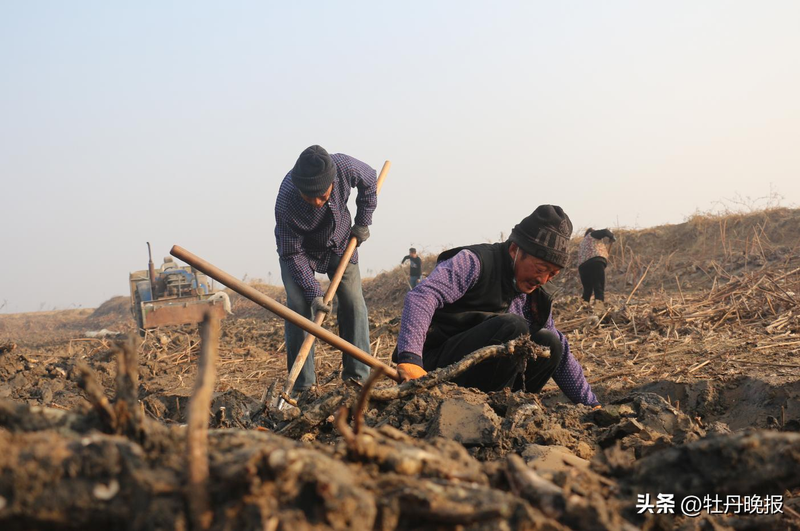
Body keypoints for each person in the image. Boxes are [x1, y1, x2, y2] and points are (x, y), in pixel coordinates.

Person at [394, 205, 600, 408]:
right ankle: (473, 406)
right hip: (438, 366)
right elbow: (423, 296)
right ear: (514, 250)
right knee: (514, 327)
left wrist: (592, 405)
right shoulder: (475, 262)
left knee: (550, 342)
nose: (543, 279)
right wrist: (410, 359)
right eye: (540, 269)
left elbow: (561, 355)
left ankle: (506, 408)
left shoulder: (534, 299)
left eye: (552, 274)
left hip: (489, 381)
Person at [275, 145, 376, 392]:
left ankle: (357, 379)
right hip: (300, 254)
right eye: (310, 197)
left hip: (341, 243)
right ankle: (302, 386)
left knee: (353, 303)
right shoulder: (286, 199)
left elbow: (371, 180)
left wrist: (363, 222)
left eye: (323, 195)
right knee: (299, 309)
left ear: (332, 180)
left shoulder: (344, 167)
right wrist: (313, 293)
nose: (318, 202)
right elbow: (291, 253)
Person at [577, 228, 616, 310]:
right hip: (595, 262)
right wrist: (612, 236)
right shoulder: (592, 235)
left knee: (587, 289)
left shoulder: (583, 243)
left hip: (583, 267)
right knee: (599, 286)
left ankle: (583, 307)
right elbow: (605, 231)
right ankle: (599, 308)